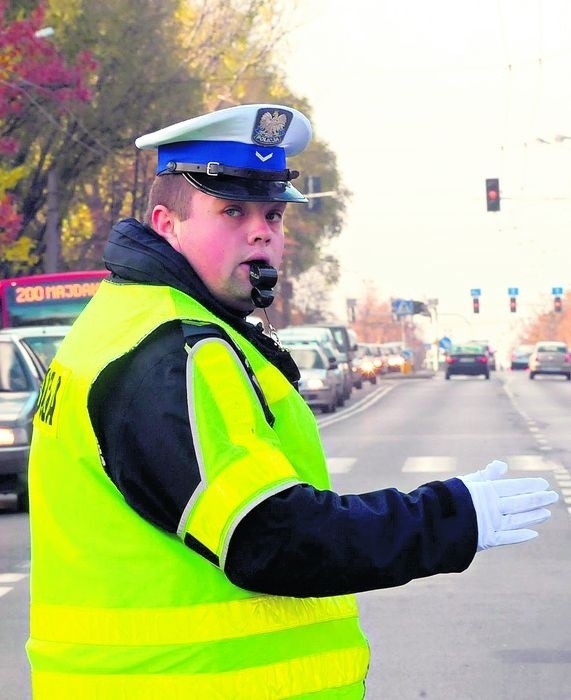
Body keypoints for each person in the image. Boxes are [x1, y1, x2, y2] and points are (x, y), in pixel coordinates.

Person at [26, 103, 558, 699]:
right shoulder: (175, 351)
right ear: (165, 223)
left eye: (273, 214)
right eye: (232, 210)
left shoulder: (132, 323)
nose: (262, 231)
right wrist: (448, 517)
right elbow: (267, 537)